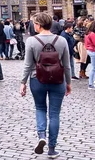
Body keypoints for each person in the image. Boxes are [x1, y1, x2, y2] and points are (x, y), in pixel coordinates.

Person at [20, 12, 71, 158]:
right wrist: (68, 83)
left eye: (34, 23)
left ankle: (41, 134)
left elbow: (28, 65)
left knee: (40, 108)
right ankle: (52, 149)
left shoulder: (31, 41)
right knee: (54, 114)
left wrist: (23, 82)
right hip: (58, 80)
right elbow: (66, 65)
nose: (33, 25)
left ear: (39, 25)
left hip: (37, 79)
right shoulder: (61, 40)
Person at [85, 21, 95, 90]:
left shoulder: (88, 33)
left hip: (89, 50)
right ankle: (90, 84)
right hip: (93, 50)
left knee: (93, 67)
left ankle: (91, 82)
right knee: (93, 68)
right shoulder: (92, 34)